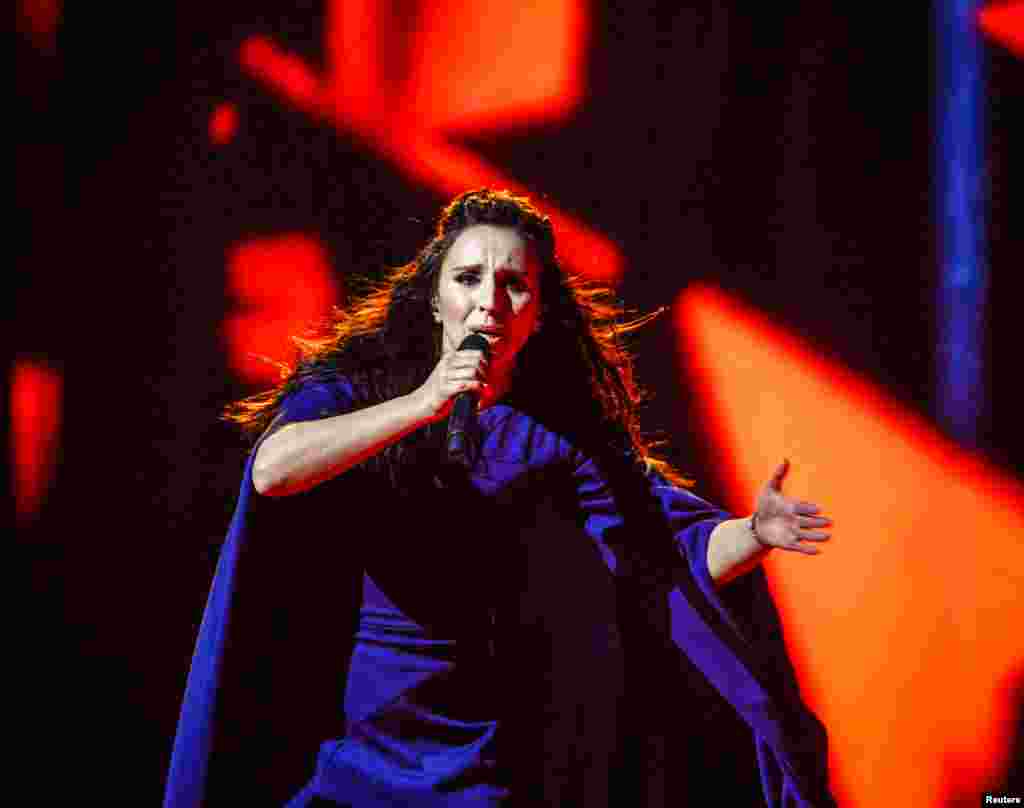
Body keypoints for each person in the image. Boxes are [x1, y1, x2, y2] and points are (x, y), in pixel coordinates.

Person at [163, 189, 837, 807]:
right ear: (434, 298)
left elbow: (669, 559)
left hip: (481, 762)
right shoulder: (361, 385)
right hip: (347, 751)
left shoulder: (560, 440)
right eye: (468, 278)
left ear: (538, 315)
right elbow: (274, 470)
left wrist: (752, 532)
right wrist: (423, 403)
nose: (490, 300)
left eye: (515, 284)